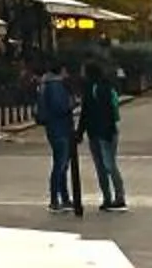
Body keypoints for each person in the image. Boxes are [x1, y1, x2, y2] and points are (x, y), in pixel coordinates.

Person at [80, 59, 125, 210]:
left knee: (105, 166)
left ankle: (113, 197)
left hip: (99, 132)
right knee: (107, 165)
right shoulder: (105, 86)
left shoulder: (94, 89)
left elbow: (85, 113)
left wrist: (80, 132)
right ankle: (115, 197)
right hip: (106, 132)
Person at [36, 62, 78, 212]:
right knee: (60, 165)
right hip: (60, 128)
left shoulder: (46, 85)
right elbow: (60, 107)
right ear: (61, 71)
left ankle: (63, 198)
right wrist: (71, 104)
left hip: (54, 128)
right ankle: (56, 199)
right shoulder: (55, 86)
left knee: (62, 164)